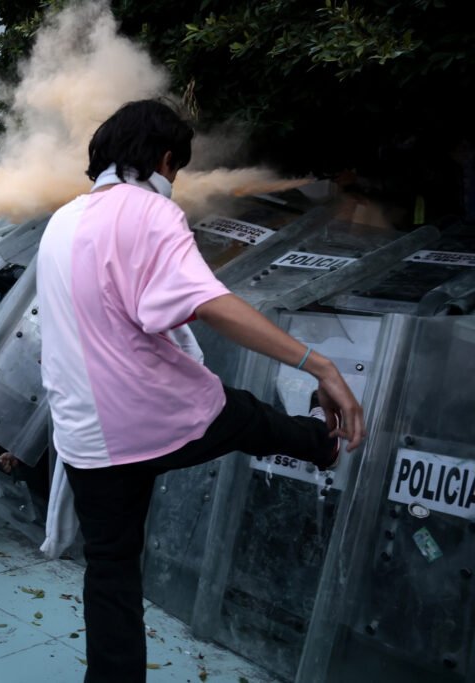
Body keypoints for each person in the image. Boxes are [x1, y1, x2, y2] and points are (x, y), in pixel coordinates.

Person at [36, 100, 366, 683]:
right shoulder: (151, 213)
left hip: (85, 436)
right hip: (152, 416)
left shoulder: (62, 220)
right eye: (177, 167)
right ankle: (325, 445)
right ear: (166, 159)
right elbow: (211, 305)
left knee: (111, 572)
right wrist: (322, 367)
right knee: (241, 415)